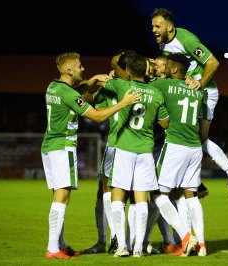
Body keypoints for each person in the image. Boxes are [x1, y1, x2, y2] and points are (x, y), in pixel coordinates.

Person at [41, 52, 140, 259]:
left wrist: (93, 81)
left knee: (59, 197)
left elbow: (74, 91)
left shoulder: (53, 87)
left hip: (49, 147)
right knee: (62, 198)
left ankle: (61, 243)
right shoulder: (69, 95)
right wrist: (123, 103)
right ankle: (52, 248)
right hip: (62, 148)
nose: (82, 69)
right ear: (69, 70)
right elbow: (95, 116)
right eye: (79, 66)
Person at [151, 8, 228, 199]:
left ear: (169, 26)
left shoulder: (186, 39)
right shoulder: (164, 46)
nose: (153, 29)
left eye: (157, 26)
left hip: (204, 92)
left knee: (199, 138)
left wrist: (200, 83)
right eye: (152, 26)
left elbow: (213, 63)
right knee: (182, 133)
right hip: (188, 92)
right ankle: (197, 182)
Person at [97, 53, 170, 258]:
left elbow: (105, 80)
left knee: (118, 198)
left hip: (124, 149)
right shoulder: (157, 94)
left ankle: (121, 246)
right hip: (146, 151)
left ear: (128, 72)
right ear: (147, 70)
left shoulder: (122, 87)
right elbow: (165, 123)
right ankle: (138, 247)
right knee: (141, 200)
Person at [150, 53, 207, 256]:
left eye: (166, 66)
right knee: (191, 197)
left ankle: (184, 236)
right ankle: (201, 245)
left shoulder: (163, 86)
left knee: (157, 194)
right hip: (194, 148)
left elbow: (140, 81)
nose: (162, 68)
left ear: (173, 69)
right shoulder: (199, 92)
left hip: (175, 145)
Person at [82, 49, 137, 255]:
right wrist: (96, 82)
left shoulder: (116, 86)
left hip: (119, 144)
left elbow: (86, 101)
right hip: (132, 146)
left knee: (112, 192)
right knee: (127, 194)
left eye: (115, 65)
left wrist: (99, 82)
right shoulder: (137, 85)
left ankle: (115, 239)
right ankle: (117, 241)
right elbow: (87, 100)